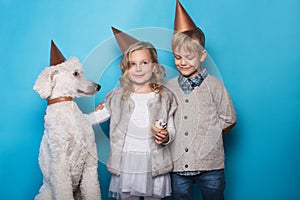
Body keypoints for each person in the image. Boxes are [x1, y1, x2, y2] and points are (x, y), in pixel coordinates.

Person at [86, 28, 177, 200]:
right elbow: (95, 118)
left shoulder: (164, 97)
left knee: (154, 197)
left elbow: (171, 127)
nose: (138, 69)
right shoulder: (117, 97)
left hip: (154, 160)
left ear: (154, 66)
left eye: (144, 62)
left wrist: (166, 137)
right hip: (127, 160)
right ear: (125, 69)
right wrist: (69, 116)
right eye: (132, 64)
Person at [165, 1, 237, 200]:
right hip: (178, 164)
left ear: (202, 55)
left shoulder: (215, 86)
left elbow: (228, 118)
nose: (182, 62)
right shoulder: (169, 87)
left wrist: (208, 133)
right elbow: (165, 118)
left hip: (210, 165)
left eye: (189, 56)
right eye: (177, 57)